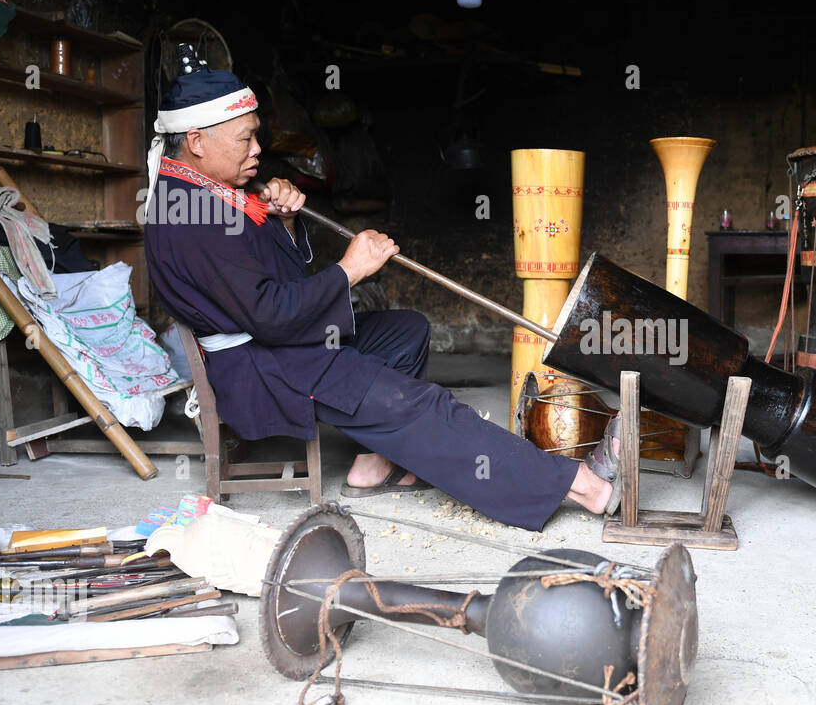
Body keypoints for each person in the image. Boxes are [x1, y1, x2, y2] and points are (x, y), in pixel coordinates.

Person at [141, 52, 618, 531]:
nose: (257, 150)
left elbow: (268, 278)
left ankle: (372, 464)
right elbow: (269, 312)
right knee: (420, 406)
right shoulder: (195, 216)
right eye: (245, 138)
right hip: (266, 365)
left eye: (255, 135)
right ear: (197, 141)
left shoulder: (202, 190)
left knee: (404, 330)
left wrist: (283, 221)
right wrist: (349, 270)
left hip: (278, 342)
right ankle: (580, 484)